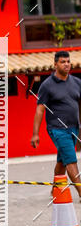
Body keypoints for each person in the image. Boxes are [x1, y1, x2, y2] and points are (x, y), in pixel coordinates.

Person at [31, 50, 81, 199]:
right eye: (62, 62)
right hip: (57, 129)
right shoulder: (47, 85)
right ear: (55, 64)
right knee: (71, 159)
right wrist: (35, 133)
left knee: (62, 160)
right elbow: (40, 110)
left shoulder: (77, 82)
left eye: (68, 61)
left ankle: (55, 190)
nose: (66, 64)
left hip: (73, 128)